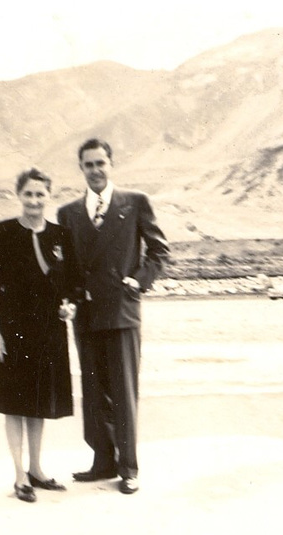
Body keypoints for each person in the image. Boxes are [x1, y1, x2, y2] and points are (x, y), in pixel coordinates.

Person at [57, 138, 170, 495]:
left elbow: (159, 251)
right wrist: (69, 299)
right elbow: (68, 267)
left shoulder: (135, 203)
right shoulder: (68, 213)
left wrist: (138, 281)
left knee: (123, 390)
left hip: (122, 310)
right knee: (93, 390)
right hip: (86, 312)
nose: (95, 170)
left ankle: (128, 467)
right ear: (81, 169)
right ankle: (102, 460)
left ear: (111, 163)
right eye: (88, 165)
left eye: (100, 163)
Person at [0, 167, 80, 503]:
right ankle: (19, 475)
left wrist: (70, 306)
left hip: (49, 330)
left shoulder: (61, 235)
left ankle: (37, 469)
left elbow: (73, 284)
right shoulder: (1, 233)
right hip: (12, 330)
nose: (34, 200)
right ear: (19, 195)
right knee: (14, 403)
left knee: (38, 402)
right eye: (29, 194)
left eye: (40, 194)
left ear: (48, 197)